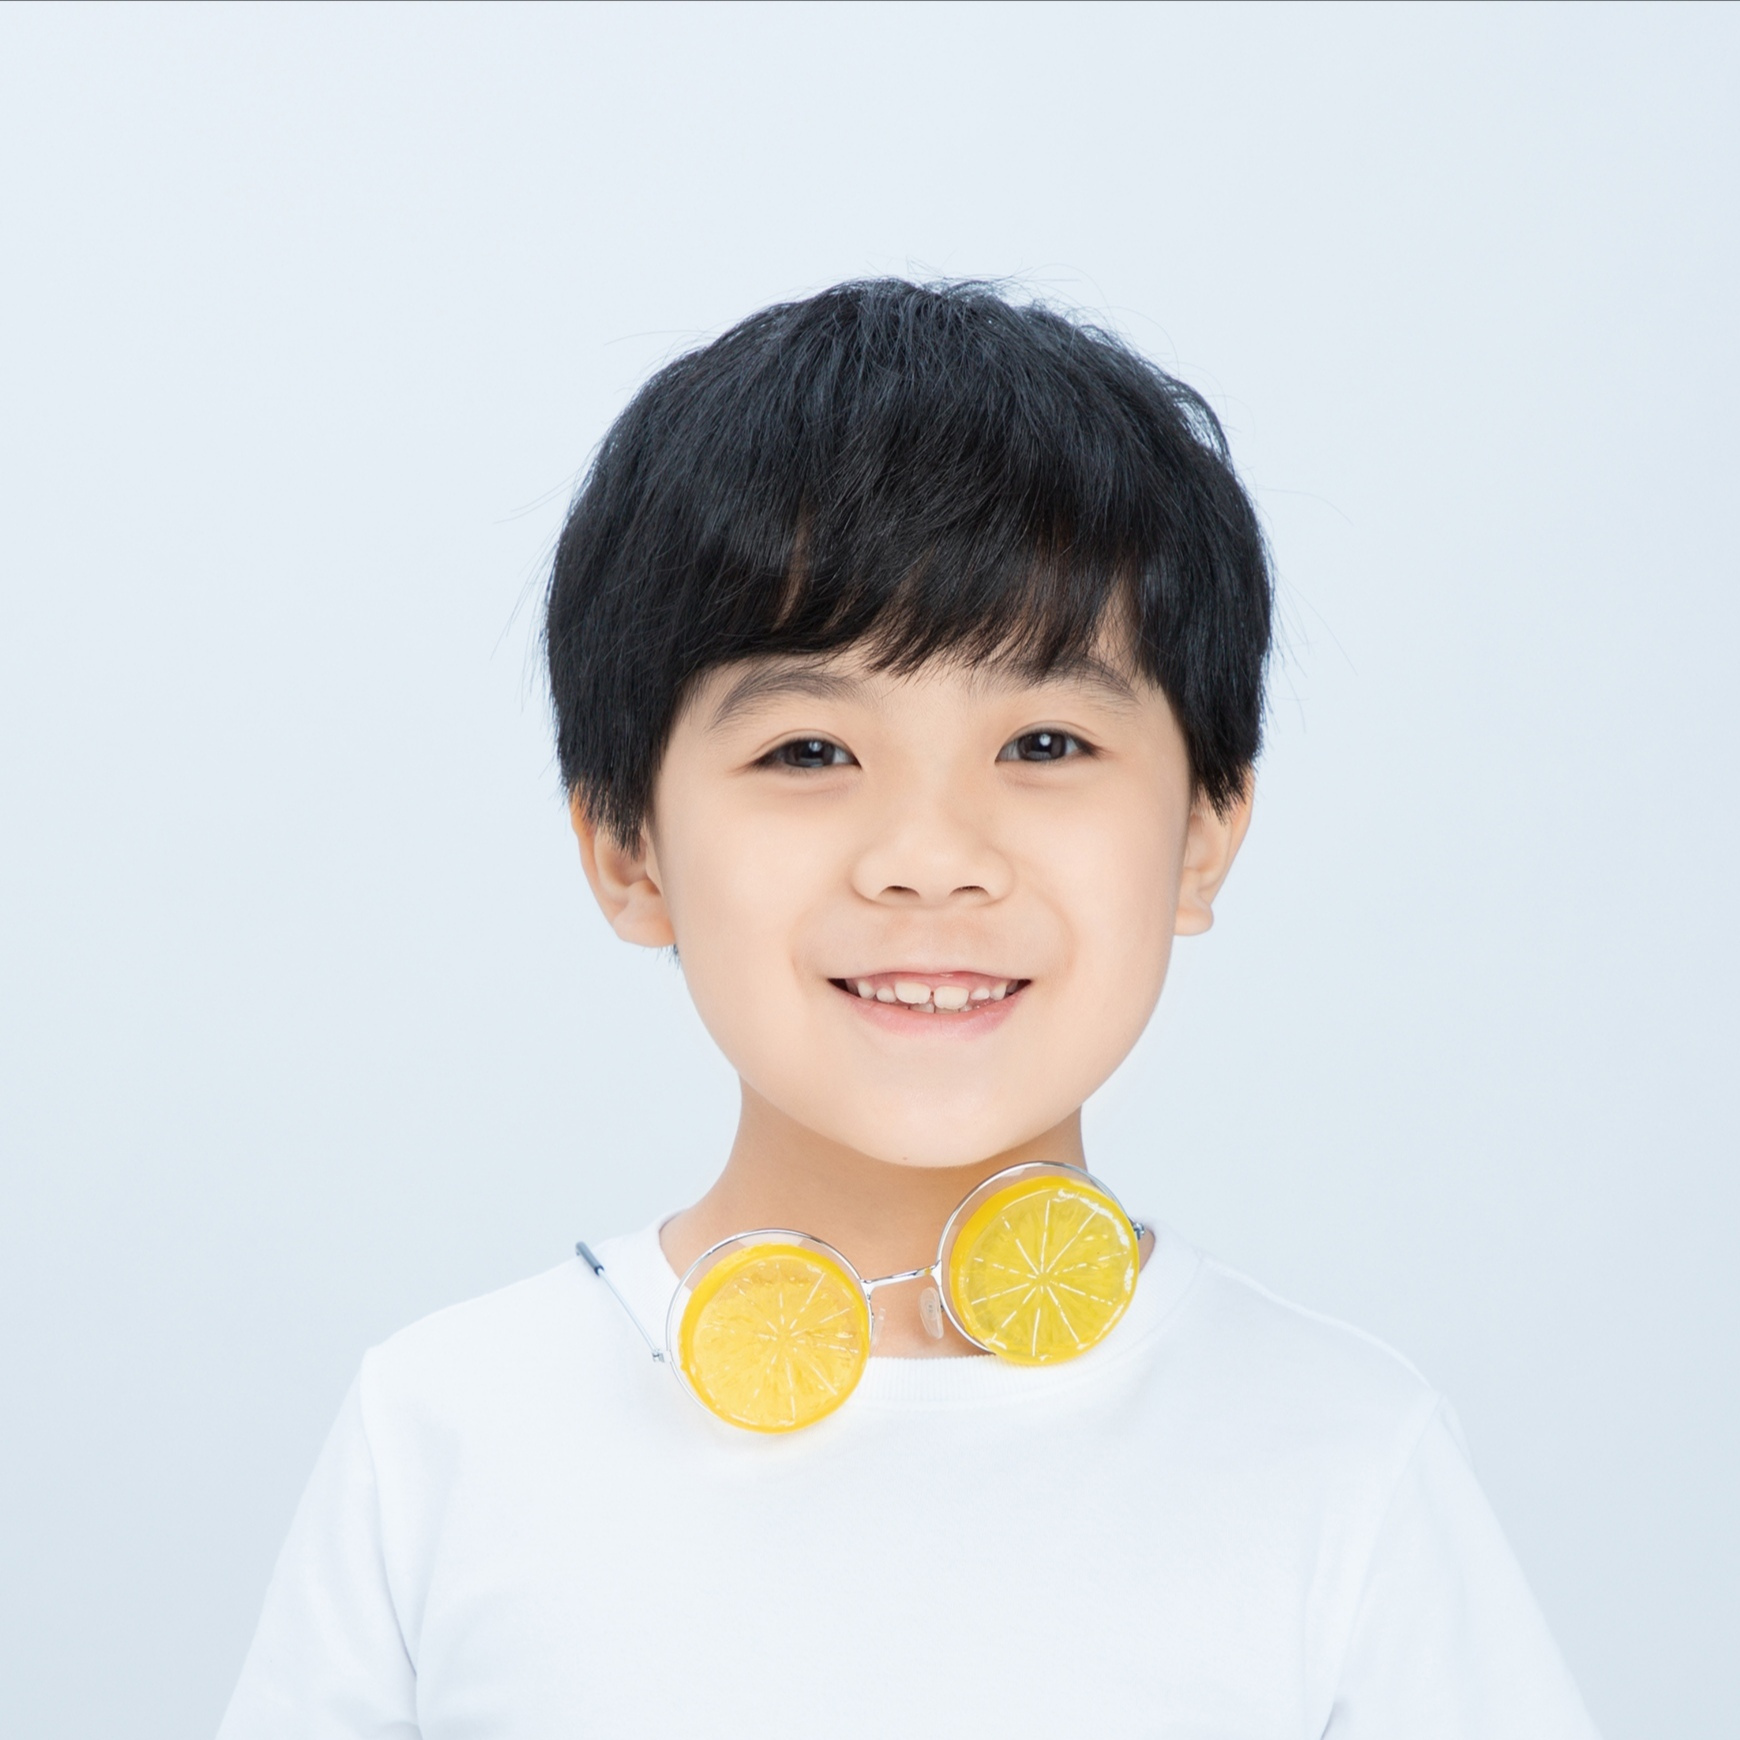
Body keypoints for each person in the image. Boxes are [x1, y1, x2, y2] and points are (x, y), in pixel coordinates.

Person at [219, 279, 1598, 1738]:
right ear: (627, 849)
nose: (932, 859)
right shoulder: (447, 1429)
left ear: (1204, 831)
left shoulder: (1344, 1456)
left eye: (1045, 742)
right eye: (810, 751)